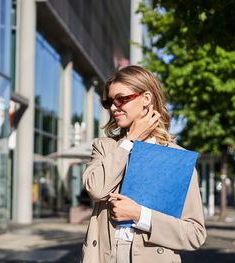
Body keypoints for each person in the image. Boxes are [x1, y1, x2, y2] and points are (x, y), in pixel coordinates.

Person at [81, 65, 206, 263]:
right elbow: (96, 190)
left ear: (146, 99)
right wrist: (130, 140)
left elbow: (195, 234)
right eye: (109, 102)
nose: (114, 107)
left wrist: (141, 215)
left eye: (121, 99)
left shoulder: (176, 158)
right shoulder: (105, 147)